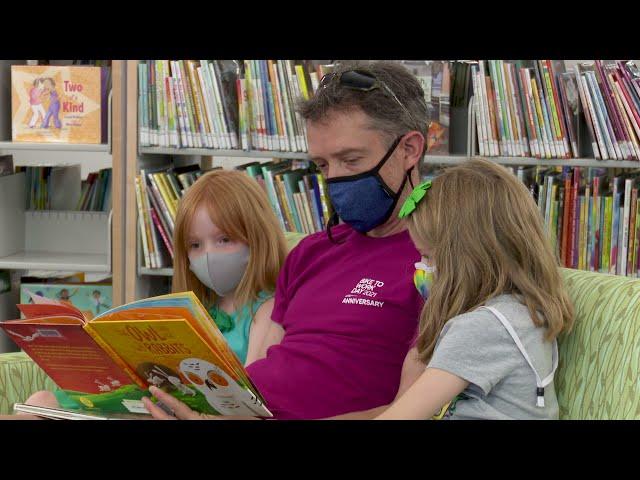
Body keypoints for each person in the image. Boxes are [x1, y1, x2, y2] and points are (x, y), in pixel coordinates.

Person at [144, 60, 427, 420]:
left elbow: (414, 410)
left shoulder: (439, 262)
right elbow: (257, 371)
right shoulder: (311, 252)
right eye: (323, 166)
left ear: (409, 150)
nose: (335, 179)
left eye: (351, 160)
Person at [14, 169, 287, 416]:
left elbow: (253, 404)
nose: (208, 256)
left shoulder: (266, 309)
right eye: (194, 245)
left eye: (224, 239)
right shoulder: (196, 308)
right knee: (41, 400)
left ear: (257, 237)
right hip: (151, 406)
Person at [372, 158, 575, 419]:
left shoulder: (482, 328)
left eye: (429, 257)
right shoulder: (519, 313)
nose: (422, 269)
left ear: (468, 259)